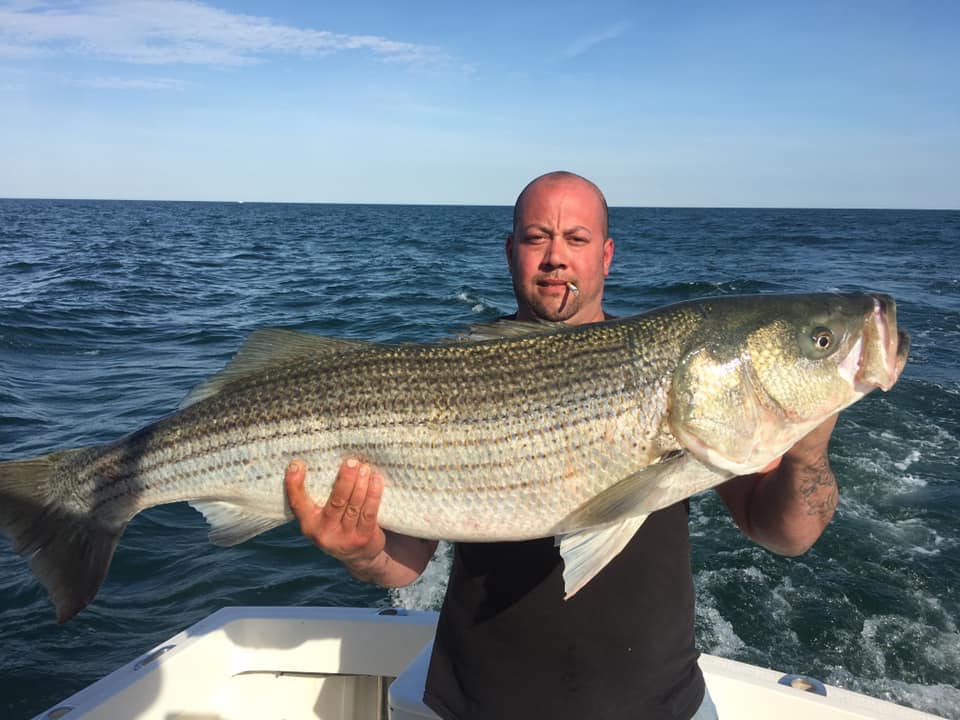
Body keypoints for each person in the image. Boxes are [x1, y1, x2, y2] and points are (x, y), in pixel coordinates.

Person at [283, 171, 842, 720]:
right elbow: (403, 565)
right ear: (510, 253)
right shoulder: (445, 374)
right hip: (477, 701)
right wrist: (360, 551)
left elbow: (787, 535)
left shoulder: (682, 369)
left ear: (606, 255)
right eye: (536, 237)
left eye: (576, 238)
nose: (555, 256)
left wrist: (808, 450)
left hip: (660, 704)